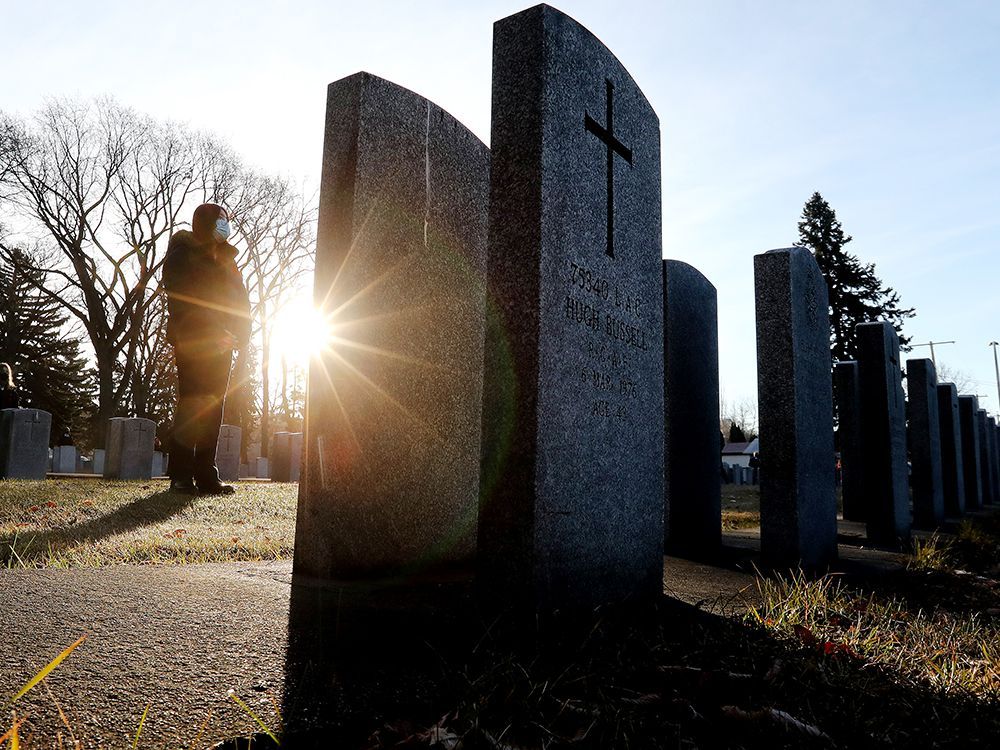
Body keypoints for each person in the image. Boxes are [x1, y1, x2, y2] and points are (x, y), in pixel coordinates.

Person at [162, 203, 250, 495]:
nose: (225, 226)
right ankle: (181, 474)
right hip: (193, 340)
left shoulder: (227, 258)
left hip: (223, 343)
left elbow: (240, 299)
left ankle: (206, 473)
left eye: (227, 221)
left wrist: (242, 333)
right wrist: (215, 327)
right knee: (191, 404)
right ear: (203, 224)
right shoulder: (181, 255)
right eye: (220, 221)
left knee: (214, 406)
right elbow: (185, 298)